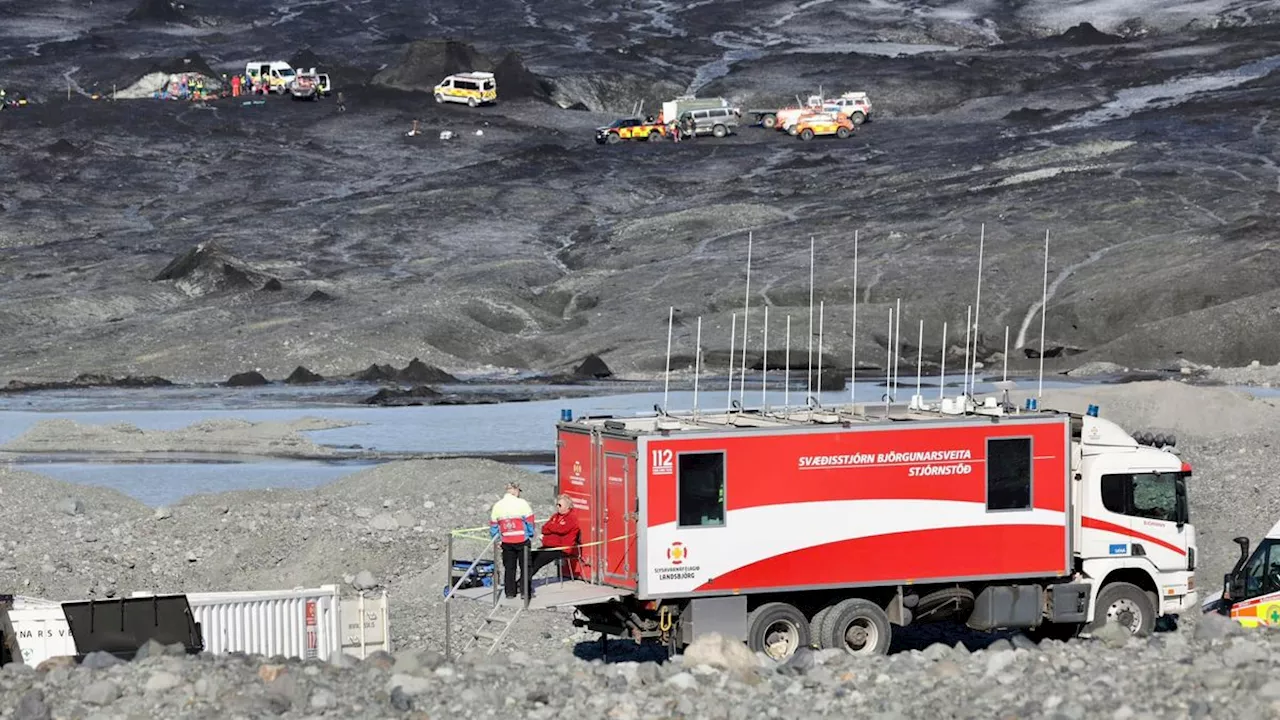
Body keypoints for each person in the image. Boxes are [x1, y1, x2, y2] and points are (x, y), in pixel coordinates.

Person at [520, 495, 581, 593]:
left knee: (537, 561)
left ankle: (522, 585)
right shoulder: (555, 516)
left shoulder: (571, 518)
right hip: (548, 546)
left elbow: (562, 530)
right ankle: (523, 583)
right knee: (529, 557)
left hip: (560, 548)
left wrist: (551, 528)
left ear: (568, 506)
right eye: (557, 504)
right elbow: (544, 528)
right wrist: (553, 528)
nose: (557, 507)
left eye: (560, 505)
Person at [490, 482, 535, 599]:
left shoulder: (498, 505)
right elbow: (530, 521)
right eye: (519, 491)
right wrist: (530, 534)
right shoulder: (522, 503)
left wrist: (497, 539)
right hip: (522, 539)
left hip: (507, 541)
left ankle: (510, 592)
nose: (519, 493)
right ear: (515, 490)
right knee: (525, 566)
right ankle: (525, 592)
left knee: (510, 567)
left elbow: (494, 525)